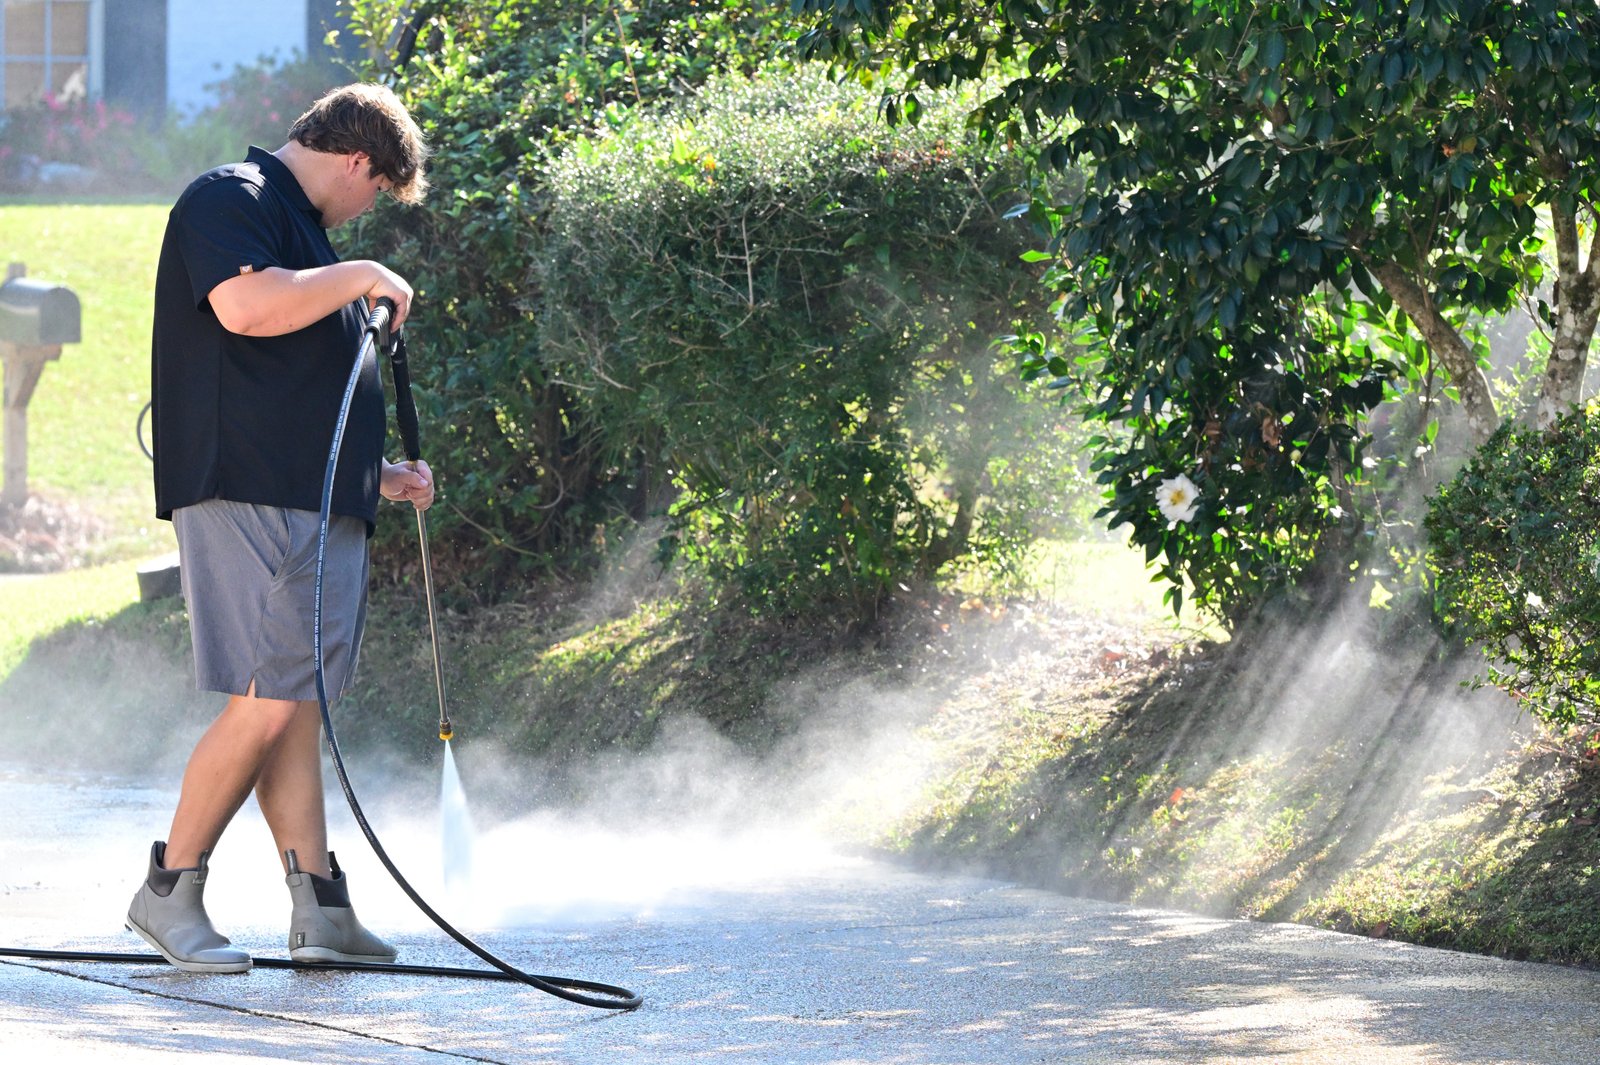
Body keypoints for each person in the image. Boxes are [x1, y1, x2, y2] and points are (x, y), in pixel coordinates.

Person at [128, 83, 434, 973]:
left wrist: (377, 475)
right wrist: (362, 275)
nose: (370, 209)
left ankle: (320, 907)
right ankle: (167, 891)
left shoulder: (306, 238)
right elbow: (245, 309)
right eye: (378, 189)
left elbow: (295, 402)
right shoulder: (231, 198)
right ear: (356, 161)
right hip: (242, 496)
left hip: (304, 497)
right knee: (266, 701)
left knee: (292, 708)